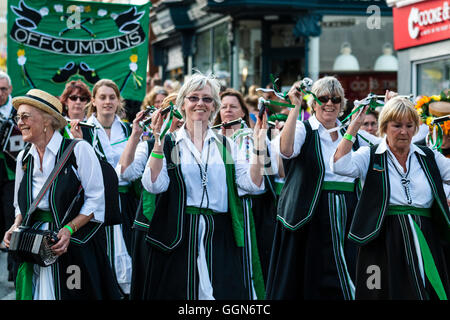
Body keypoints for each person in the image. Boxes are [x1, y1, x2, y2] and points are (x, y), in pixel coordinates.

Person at [141, 72, 267, 299]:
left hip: (220, 232)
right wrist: (158, 139)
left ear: (214, 107)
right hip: (180, 233)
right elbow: (153, 185)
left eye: (207, 99)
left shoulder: (226, 144)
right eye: (194, 98)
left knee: (221, 293)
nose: (200, 103)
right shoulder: (170, 142)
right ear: (182, 104)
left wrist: (259, 146)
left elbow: (252, 184)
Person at [3, 88, 121, 300]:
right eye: (17, 117)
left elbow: (96, 200)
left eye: (25, 116)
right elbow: (20, 204)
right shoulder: (23, 157)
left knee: (73, 291)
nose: (19, 122)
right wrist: (15, 225)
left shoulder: (79, 150)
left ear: (47, 120)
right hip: (34, 246)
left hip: (73, 245)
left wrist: (68, 229)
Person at [332, 96, 450, 299]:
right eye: (397, 125)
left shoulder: (428, 156)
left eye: (409, 125)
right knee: (377, 290)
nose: (404, 132)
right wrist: (353, 128)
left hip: (425, 236)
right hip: (380, 238)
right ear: (385, 126)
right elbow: (340, 165)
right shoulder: (369, 155)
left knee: (426, 289)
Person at [266, 76, 359, 300]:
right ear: (314, 102)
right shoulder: (302, 128)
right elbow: (286, 150)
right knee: (309, 275)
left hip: (347, 212)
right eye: (323, 98)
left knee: (346, 271)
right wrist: (295, 108)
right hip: (309, 212)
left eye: (335, 99)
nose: (330, 103)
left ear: (341, 103)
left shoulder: (354, 133)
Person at [116, 92, 180, 299]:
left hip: (183, 223)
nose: (178, 118)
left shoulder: (200, 144)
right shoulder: (149, 144)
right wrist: (136, 134)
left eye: (180, 112)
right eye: (171, 112)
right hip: (151, 222)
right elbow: (125, 173)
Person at [214, 88, 277, 289]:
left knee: (250, 260)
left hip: (248, 208)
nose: (228, 110)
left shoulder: (250, 136)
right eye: (223, 106)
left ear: (243, 111)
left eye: (233, 106)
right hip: (223, 208)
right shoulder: (212, 137)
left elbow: (264, 173)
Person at [76, 79, 134, 296]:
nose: (108, 102)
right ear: (93, 101)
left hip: (127, 202)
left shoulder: (128, 129)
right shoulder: (84, 130)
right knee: (104, 252)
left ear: (119, 101)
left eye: (112, 97)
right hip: (98, 202)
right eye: (102, 97)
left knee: (129, 251)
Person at [0, 71, 24, 282]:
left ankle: (11, 270)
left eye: (3, 89)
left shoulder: (17, 111)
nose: (0, 93)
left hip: (11, 171)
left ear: (10, 90)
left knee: (12, 217)